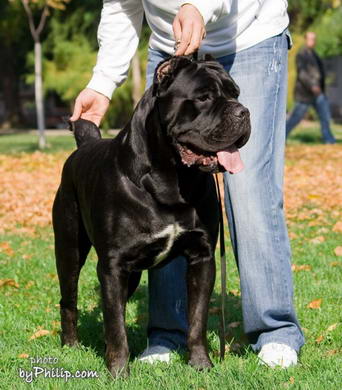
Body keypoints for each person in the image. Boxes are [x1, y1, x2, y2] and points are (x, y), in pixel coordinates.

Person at [70, 0, 305, 368]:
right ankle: (166, 335)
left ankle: (274, 332)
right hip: (171, 43)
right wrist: (102, 83)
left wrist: (198, 5)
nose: (235, 107)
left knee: (251, 194)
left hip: (249, 35)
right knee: (164, 189)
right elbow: (122, 5)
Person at [286, 31, 336, 143]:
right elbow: (302, 73)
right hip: (305, 94)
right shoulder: (301, 54)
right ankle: (281, 137)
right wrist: (313, 86)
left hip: (318, 93)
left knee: (325, 116)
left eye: (314, 39)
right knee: (295, 118)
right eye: (310, 39)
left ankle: (329, 139)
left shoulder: (315, 55)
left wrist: (319, 88)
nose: (312, 41)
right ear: (305, 40)